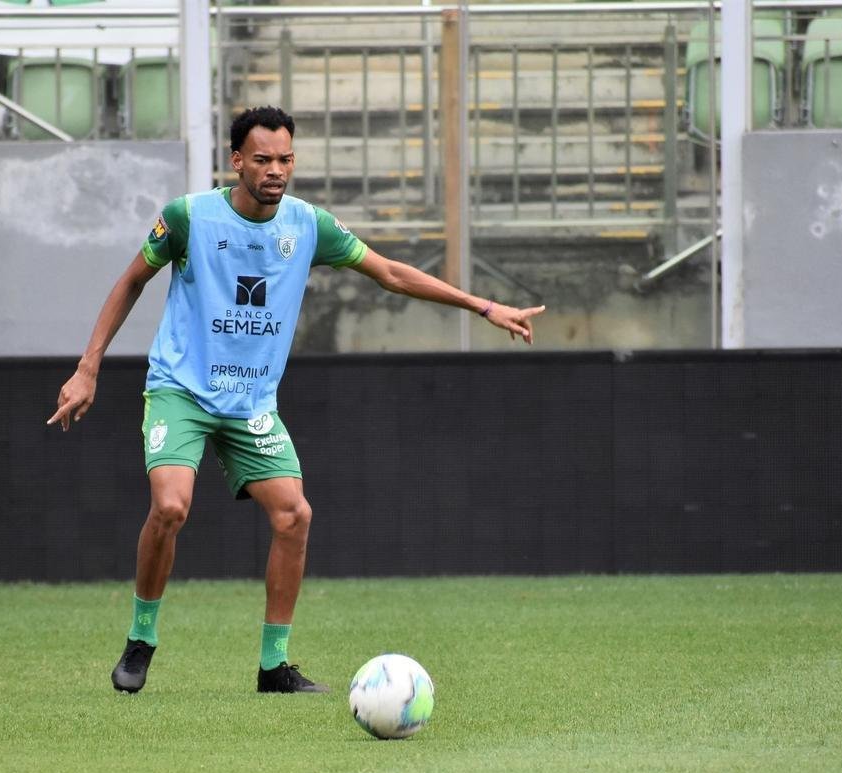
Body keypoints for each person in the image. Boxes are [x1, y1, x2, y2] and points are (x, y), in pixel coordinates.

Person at [48, 106, 545, 694]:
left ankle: (273, 665)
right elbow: (131, 280)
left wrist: (485, 307)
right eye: (262, 159)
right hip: (181, 388)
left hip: (251, 402)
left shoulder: (309, 226)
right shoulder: (189, 217)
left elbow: (389, 273)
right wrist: (88, 368)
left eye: (285, 159)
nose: (276, 170)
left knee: (294, 515)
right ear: (237, 161)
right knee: (173, 506)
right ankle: (141, 639)